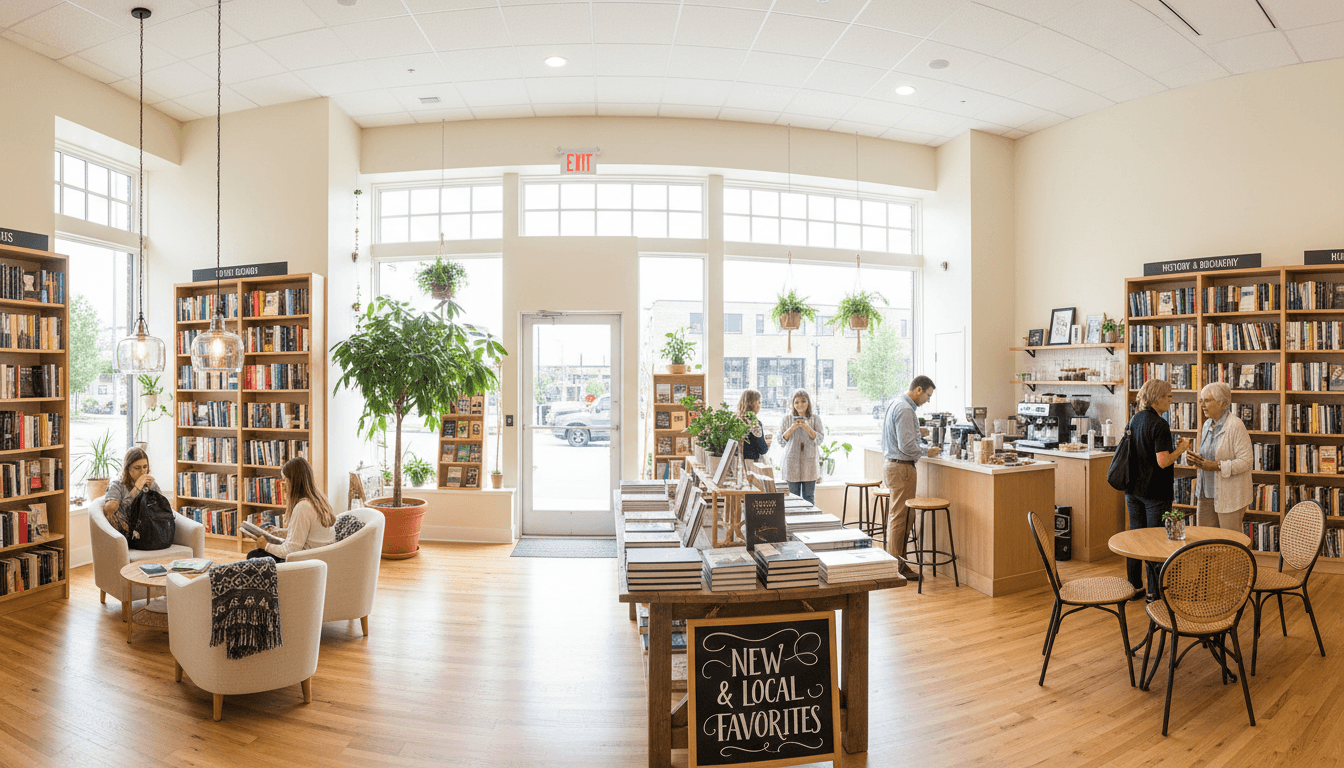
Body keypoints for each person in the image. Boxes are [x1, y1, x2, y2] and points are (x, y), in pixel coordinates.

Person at [1126, 379, 1193, 601]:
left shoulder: (1135, 419)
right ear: (1156, 398)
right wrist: (1181, 449)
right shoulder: (1159, 424)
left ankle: (1135, 587)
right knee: (1155, 542)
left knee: (1135, 538)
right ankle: (1154, 592)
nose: (1171, 401)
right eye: (1168, 396)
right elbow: (1163, 462)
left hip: (1133, 490)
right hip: (1155, 492)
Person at [882, 375, 941, 580]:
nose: (928, 400)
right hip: (902, 469)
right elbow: (906, 446)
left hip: (893, 466)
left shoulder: (896, 404)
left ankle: (898, 564)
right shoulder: (906, 409)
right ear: (918, 390)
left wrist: (917, 432)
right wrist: (927, 451)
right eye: (928, 395)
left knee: (900, 517)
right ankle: (898, 567)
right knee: (902, 519)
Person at [1185, 381, 1252, 531]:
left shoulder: (1236, 425)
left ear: (1223, 403)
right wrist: (1194, 459)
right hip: (1205, 493)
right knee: (1206, 538)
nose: (1202, 405)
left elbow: (1246, 462)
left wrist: (1217, 466)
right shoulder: (1207, 424)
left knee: (1229, 540)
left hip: (1229, 495)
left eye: (1207, 401)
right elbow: (1208, 455)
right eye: (1201, 401)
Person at [247, 457, 336, 562]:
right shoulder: (319, 501)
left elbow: (291, 551)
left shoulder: (303, 507)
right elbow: (305, 534)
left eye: (285, 480)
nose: (283, 485)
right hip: (320, 558)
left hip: (306, 562)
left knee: (255, 555)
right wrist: (278, 532)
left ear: (294, 482)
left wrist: (266, 545)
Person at [776, 388, 824, 503]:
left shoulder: (815, 419)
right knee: (792, 498)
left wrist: (807, 427)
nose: (800, 405)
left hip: (809, 464)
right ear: (792, 404)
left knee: (809, 497)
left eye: (803, 401)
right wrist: (793, 427)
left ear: (808, 402)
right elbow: (781, 441)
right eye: (796, 402)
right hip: (791, 464)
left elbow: (820, 440)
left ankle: (809, 515)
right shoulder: (786, 419)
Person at [102, 447, 162, 538]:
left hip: (150, 529)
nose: (142, 472)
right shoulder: (117, 485)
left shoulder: (151, 484)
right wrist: (136, 489)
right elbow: (112, 512)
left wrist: (151, 495)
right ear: (127, 469)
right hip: (128, 533)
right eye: (137, 468)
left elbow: (162, 509)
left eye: (145, 467)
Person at [735, 389, 770, 462]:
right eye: (759, 402)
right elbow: (762, 449)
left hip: (735, 462)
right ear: (753, 404)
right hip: (750, 465)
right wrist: (768, 443)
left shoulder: (734, 419)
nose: (760, 405)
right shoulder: (754, 423)